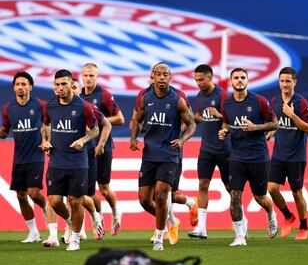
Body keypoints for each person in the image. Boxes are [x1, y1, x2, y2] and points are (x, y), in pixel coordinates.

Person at [130, 63, 195, 251]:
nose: (161, 78)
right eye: (158, 74)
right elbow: (137, 119)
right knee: (144, 199)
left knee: (161, 196)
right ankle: (168, 219)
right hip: (149, 154)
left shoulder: (177, 99)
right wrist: (133, 139)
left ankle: (159, 237)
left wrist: (182, 140)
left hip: (169, 154)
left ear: (170, 77)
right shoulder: (145, 97)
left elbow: (191, 125)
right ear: (152, 76)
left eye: (165, 74)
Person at [219, 67, 278, 247]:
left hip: (258, 156)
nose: (239, 80)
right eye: (236, 77)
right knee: (235, 195)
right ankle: (239, 236)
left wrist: (256, 128)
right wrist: (224, 131)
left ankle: (271, 213)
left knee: (260, 197)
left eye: (242, 77)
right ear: (231, 81)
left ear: (247, 80)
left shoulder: (259, 101)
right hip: (237, 156)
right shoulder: (227, 103)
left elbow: (274, 124)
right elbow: (227, 123)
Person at [41, 69, 98, 251]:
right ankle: (69, 223)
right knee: (55, 201)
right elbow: (46, 125)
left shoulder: (84, 107)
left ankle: (75, 239)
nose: (60, 88)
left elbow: (95, 130)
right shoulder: (50, 106)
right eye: (57, 85)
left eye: (64, 84)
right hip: (56, 161)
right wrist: (46, 141)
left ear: (71, 85)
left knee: (75, 201)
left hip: (78, 162)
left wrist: (83, 140)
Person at [0, 71, 47, 243]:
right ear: (13, 87)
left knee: (34, 194)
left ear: (30, 87)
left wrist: (47, 140)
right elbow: (4, 132)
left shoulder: (40, 105)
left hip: (36, 156)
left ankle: (47, 209)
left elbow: (49, 124)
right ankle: (34, 232)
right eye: (18, 84)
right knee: (21, 196)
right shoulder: (8, 108)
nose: (21, 87)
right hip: (19, 158)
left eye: (24, 84)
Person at [267, 67, 308, 240]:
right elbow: (277, 122)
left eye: (288, 81)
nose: (285, 84)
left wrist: (292, 115)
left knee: (297, 193)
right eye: (282, 81)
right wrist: (272, 131)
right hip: (279, 154)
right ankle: (287, 216)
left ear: (295, 82)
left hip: (296, 156)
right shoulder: (276, 101)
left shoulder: (301, 103)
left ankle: (304, 227)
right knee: (271, 188)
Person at [81, 63, 125, 236]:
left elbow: (120, 119)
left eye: (92, 75)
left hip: (104, 147)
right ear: (81, 76)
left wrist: (99, 119)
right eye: (86, 75)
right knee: (87, 190)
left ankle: (116, 214)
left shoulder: (104, 95)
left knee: (104, 188)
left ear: (97, 77)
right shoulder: (78, 95)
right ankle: (98, 218)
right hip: (86, 148)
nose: (88, 78)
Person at [188, 64, 231, 240]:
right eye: (196, 80)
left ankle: (241, 221)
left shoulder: (222, 95)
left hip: (224, 149)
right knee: (203, 185)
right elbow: (200, 115)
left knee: (231, 188)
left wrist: (220, 117)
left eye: (201, 79)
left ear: (210, 77)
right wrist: (189, 120)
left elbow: (231, 117)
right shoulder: (199, 97)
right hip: (206, 149)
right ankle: (202, 227)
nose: (198, 83)